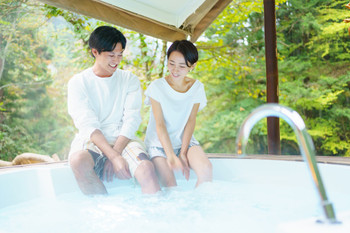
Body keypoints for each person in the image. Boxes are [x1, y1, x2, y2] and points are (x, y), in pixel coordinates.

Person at [67, 26, 160, 195]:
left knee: (146, 168)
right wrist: (113, 157)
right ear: (95, 52)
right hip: (93, 140)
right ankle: (103, 212)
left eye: (120, 54)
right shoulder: (78, 82)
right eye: (111, 55)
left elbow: (131, 119)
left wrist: (115, 153)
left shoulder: (129, 80)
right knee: (78, 161)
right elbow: (87, 124)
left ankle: (157, 217)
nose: (116, 61)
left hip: (122, 139)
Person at [144, 40, 212, 188]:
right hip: (159, 145)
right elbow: (160, 124)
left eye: (182, 66)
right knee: (171, 186)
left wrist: (182, 153)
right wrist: (170, 156)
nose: (175, 70)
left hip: (185, 142)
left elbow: (191, 120)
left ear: (192, 66)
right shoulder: (156, 87)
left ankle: (197, 209)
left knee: (206, 171)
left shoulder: (197, 88)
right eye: (171, 63)